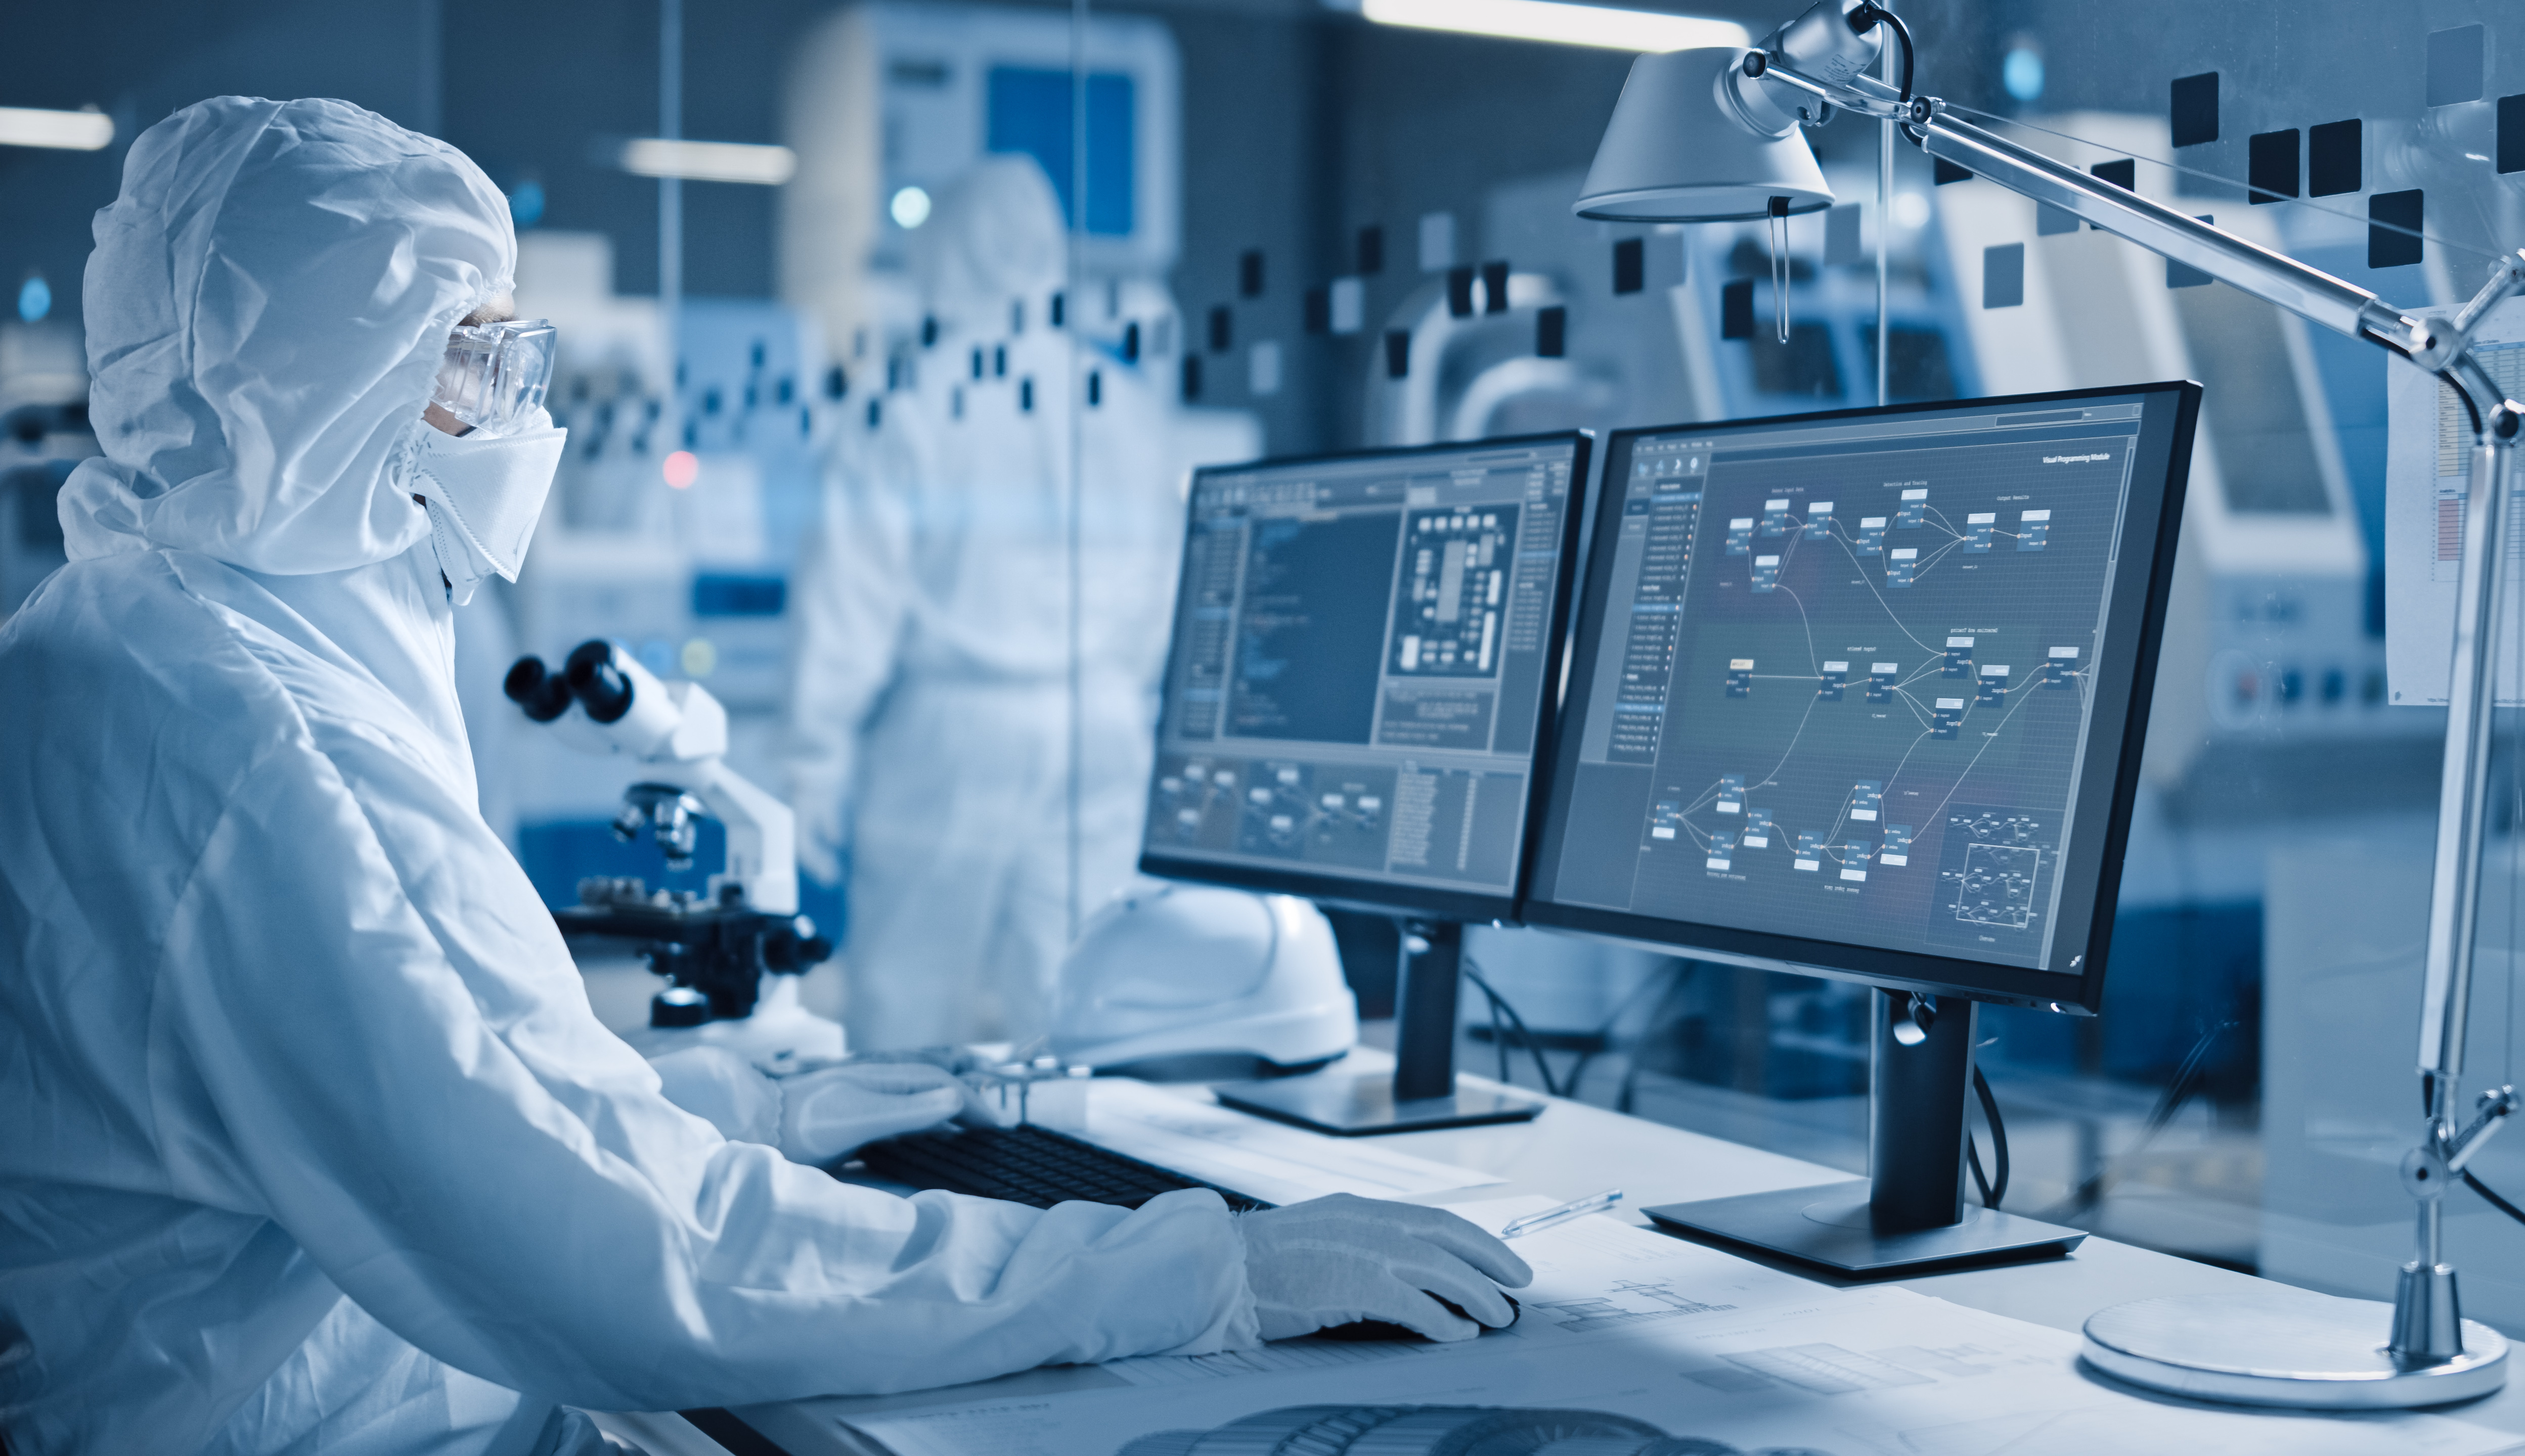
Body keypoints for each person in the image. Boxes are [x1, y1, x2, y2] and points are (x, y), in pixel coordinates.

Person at [0, 98, 1528, 1456]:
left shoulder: (127, 640)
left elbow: (443, 1092)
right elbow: (613, 1253)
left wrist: (754, 1104)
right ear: (331, 392)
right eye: (477, 355)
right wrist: (1203, 1272)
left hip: (254, 1372)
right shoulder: (275, 753)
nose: (517, 406)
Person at [784, 155, 1185, 1052]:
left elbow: (850, 604)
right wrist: (1134, 699)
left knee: (909, 1004)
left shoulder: (911, 402)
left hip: (953, 731)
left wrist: (815, 758)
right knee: (1082, 1001)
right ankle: (1097, 1182)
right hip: (1101, 719)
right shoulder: (1120, 402)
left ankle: (904, 1187)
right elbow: (1163, 582)